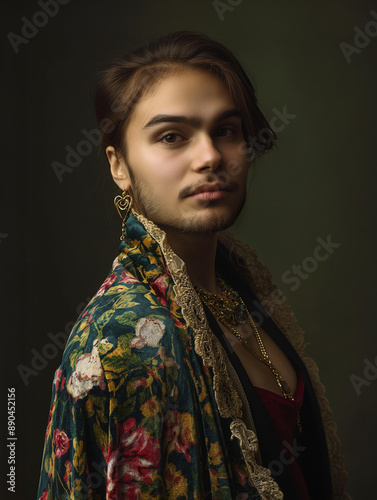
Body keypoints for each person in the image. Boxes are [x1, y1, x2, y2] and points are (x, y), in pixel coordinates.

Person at [37, 31, 350, 499]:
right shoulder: (128, 336)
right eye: (171, 137)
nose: (209, 157)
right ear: (118, 164)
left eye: (225, 130)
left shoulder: (235, 287)